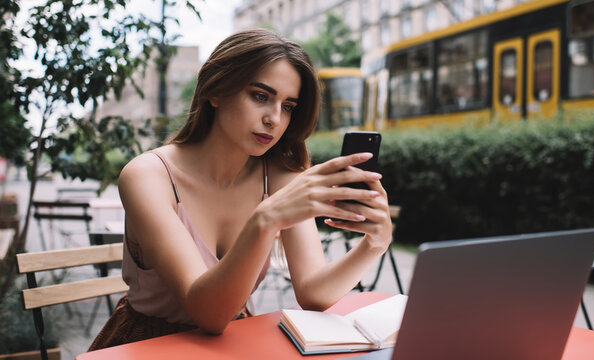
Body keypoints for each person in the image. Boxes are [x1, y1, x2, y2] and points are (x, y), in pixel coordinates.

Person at [89, 28, 392, 350]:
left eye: (288, 106)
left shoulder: (277, 176)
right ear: (216, 91)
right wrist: (266, 219)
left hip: (235, 343)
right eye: (260, 96)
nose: (274, 119)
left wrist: (373, 244)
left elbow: (314, 294)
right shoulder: (147, 176)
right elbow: (208, 314)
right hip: (148, 346)